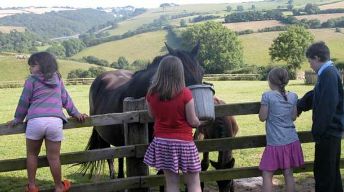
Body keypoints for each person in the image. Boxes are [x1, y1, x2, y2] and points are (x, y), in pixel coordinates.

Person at [7, 52, 87, 192]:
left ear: (43, 65)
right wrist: (76, 114)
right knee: (54, 157)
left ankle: (32, 187)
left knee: (32, 155)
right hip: (55, 122)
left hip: (35, 121)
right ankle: (58, 187)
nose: (30, 68)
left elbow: (24, 102)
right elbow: (66, 100)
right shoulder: (57, 79)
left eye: (33, 65)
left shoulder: (31, 81)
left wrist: (18, 119)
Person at [143, 56, 202, 192]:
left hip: (162, 143)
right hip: (184, 143)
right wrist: (201, 122)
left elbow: (152, 115)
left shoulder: (151, 93)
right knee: (193, 183)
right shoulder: (186, 94)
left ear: (160, 72)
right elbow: (193, 121)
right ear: (180, 73)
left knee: (171, 183)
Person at [297, 41, 343, 192]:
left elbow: (327, 105)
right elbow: (316, 94)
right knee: (330, 174)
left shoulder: (328, 74)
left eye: (310, 61)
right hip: (330, 133)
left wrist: (318, 131)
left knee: (325, 175)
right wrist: (300, 105)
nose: (310, 65)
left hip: (328, 133)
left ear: (316, 58)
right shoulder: (328, 72)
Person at [258, 67, 304, 192]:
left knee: (267, 174)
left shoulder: (267, 96)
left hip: (275, 143)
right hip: (292, 140)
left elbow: (262, 117)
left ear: (270, 81)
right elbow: (293, 117)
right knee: (288, 173)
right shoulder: (293, 96)